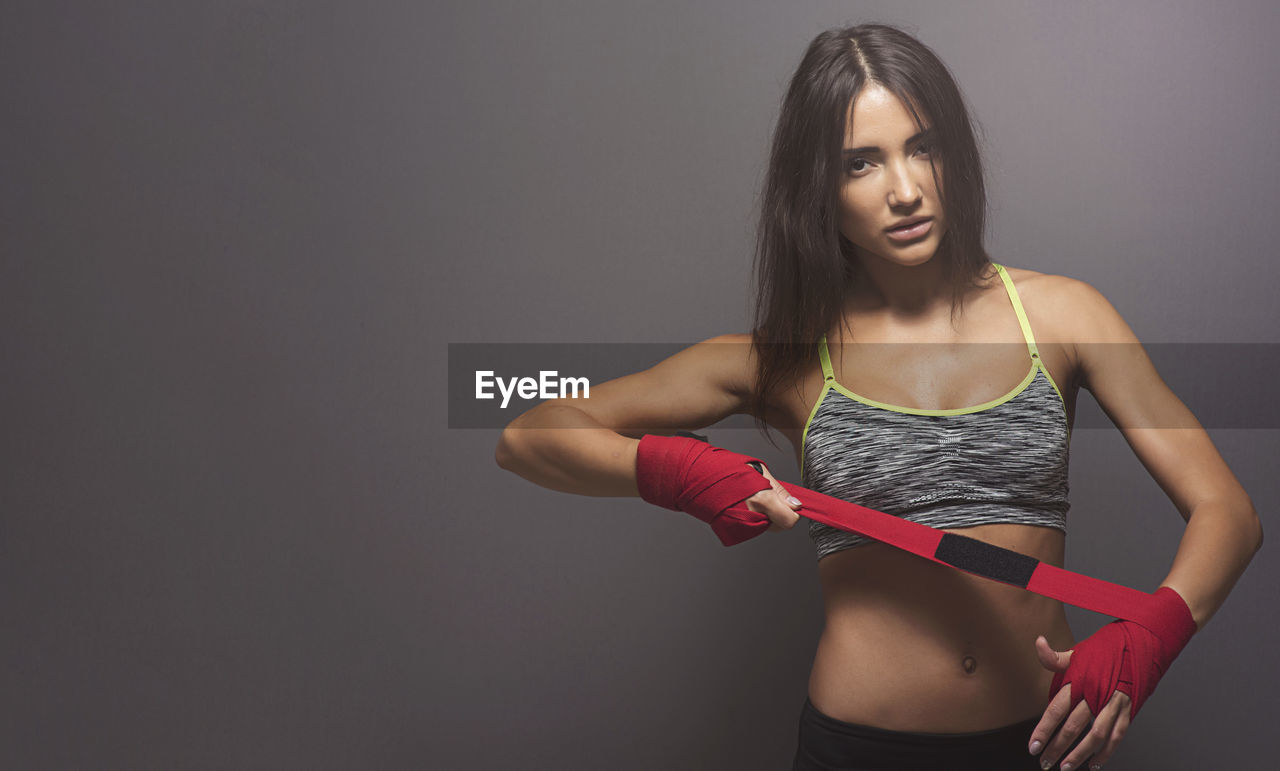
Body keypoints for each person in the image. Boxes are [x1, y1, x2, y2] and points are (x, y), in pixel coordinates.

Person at [494, 23, 1262, 771]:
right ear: (818, 190)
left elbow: (1229, 512)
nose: (904, 189)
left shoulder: (1064, 317)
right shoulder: (785, 356)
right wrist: (685, 475)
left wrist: (1151, 634)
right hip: (858, 749)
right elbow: (530, 436)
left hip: (1042, 744)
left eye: (922, 147)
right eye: (860, 163)